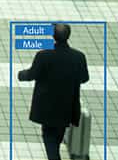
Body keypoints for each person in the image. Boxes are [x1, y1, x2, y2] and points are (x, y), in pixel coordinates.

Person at [16, 23, 91, 160]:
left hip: (47, 107)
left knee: (49, 137)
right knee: (57, 134)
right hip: (67, 105)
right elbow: (84, 78)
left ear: (53, 36)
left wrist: (21, 75)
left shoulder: (43, 55)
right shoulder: (78, 57)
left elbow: (32, 74)